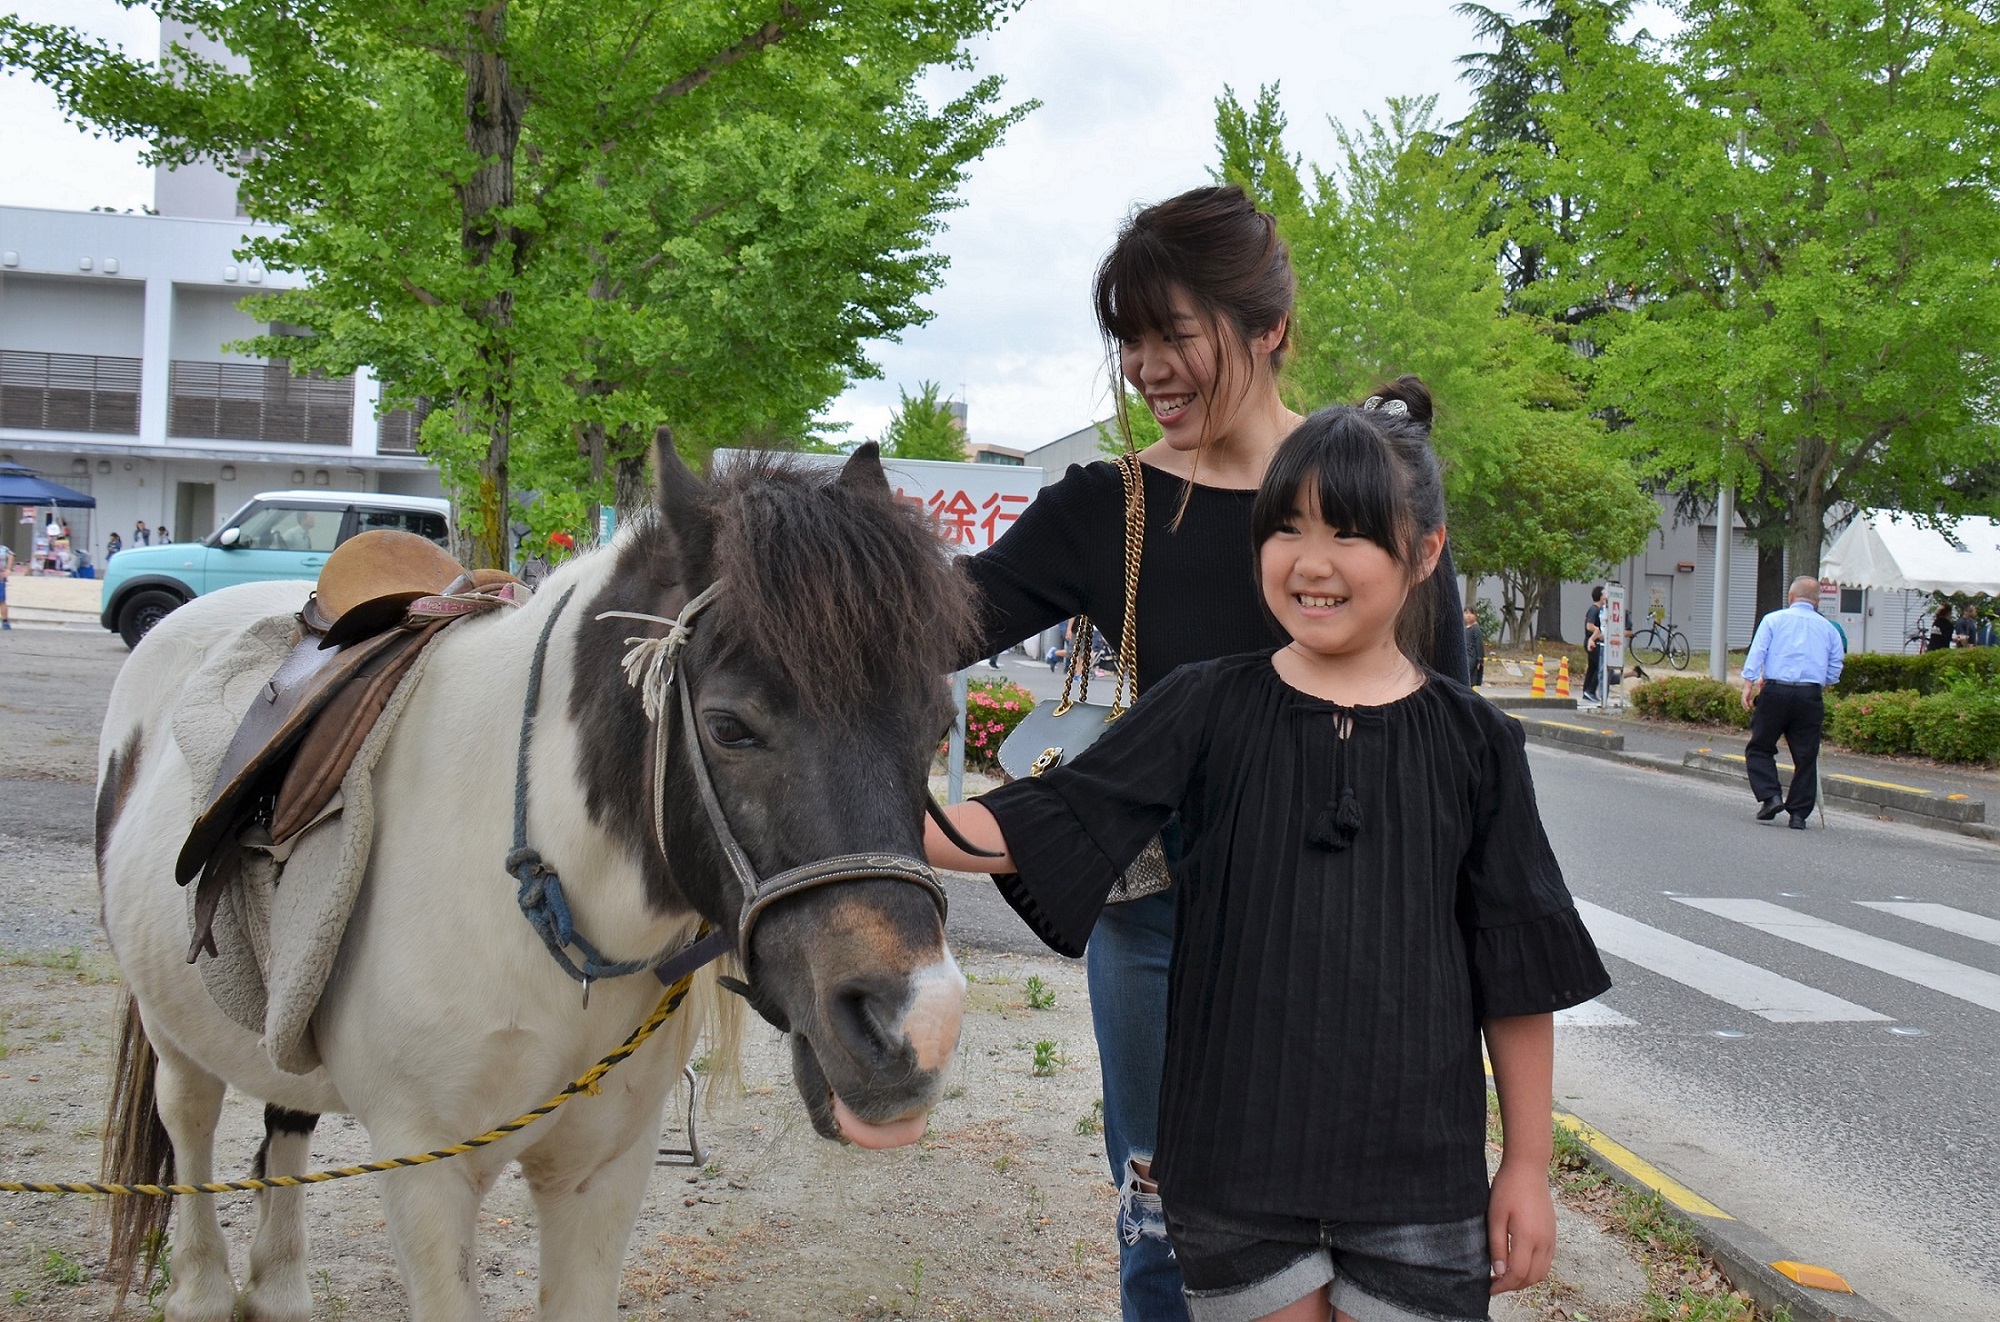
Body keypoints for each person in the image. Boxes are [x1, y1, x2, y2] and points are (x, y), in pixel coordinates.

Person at [930, 404, 1606, 1322]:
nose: (1312, 561)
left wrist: (1526, 1165)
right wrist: (884, 825)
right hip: (1238, 1170)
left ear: (1426, 550)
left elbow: (1515, 968)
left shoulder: (1475, 741)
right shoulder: (1206, 703)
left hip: (1420, 1181)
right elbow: (1056, 816)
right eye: (1287, 527)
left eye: (1351, 534)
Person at [954, 185, 1471, 1321]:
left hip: (1351, 940)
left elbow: (1453, 735)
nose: (1146, 365)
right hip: (1160, 932)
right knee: (1163, 1231)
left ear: (1267, 327)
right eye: (1129, 339)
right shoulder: (1109, 506)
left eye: (1172, 332)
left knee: (1353, 1249)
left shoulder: (1369, 483)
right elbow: (925, 617)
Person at [1741, 575, 1846, 829]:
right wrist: (1823, 682)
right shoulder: (1828, 628)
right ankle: (1798, 814)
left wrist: (1748, 683)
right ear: (1817, 601)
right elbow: (1835, 667)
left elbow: (1758, 651)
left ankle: (1771, 796)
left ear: (1790, 597)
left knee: (1760, 746)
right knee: (1806, 755)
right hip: (1809, 694)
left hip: (1776, 690)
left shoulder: (1774, 620)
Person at [1579, 586, 1604, 706]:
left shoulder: (1597, 609)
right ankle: (1590, 691)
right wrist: (1597, 632)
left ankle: (1587, 691)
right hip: (1592, 642)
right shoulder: (1594, 609)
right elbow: (1589, 625)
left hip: (1591, 641)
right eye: (1604, 593)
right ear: (1600, 595)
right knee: (1601, 666)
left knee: (1592, 667)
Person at [1463, 606, 1486, 688]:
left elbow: (1479, 645)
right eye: (1466, 613)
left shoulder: (1476, 629)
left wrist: (1480, 660)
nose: (1468, 615)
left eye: (1471, 613)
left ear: (1475, 615)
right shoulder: (1465, 628)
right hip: (1465, 657)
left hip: (1472, 658)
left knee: (1468, 680)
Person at [0, 540, 14, 629]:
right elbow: (11, 555)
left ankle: (5, 621)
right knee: (2, 600)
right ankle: (5, 622)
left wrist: (8, 569)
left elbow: (11, 555)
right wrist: (8, 569)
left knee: (2, 600)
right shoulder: (4, 549)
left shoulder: (3, 549)